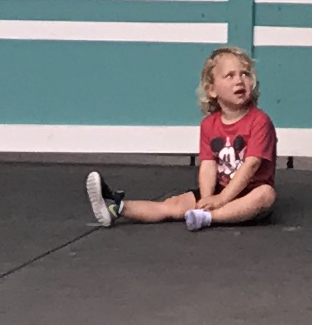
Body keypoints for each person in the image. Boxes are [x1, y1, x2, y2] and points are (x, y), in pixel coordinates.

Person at [86, 48, 277, 231]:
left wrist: (221, 201)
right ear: (212, 90)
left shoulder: (260, 121)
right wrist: (207, 197)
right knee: (173, 205)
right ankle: (116, 206)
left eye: (245, 74)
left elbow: (251, 165)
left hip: (249, 191)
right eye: (230, 76)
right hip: (220, 189)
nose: (239, 81)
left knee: (266, 195)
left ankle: (209, 218)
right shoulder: (209, 124)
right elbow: (208, 165)